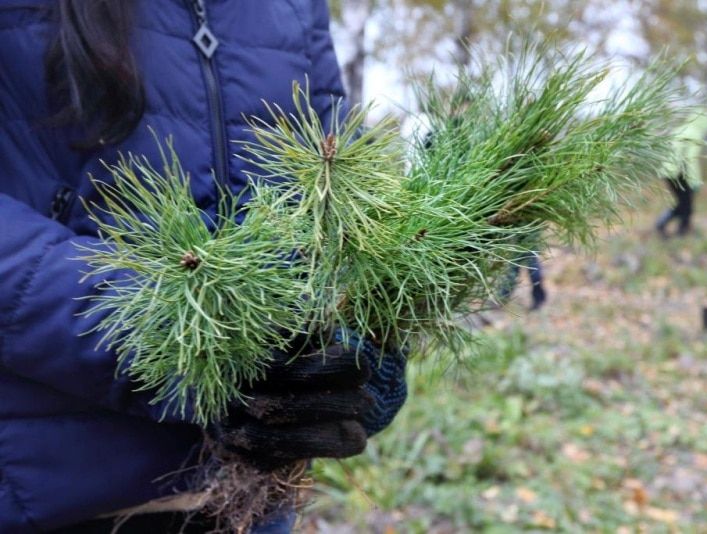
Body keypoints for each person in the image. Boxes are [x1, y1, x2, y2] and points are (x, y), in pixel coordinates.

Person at [0, 1, 407, 532]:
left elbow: (336, 198)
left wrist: (362, 348)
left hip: (250, 500)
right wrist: (172, 336)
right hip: (51, 490)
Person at [655, 109, 707, 238]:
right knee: (686, 204)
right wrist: (695, 181)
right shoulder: (695, 133)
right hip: (679, 172)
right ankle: (676, 229)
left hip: (668, 172)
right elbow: (690, 159)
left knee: (684, 203)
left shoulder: (681, 129)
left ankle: (677, 227)